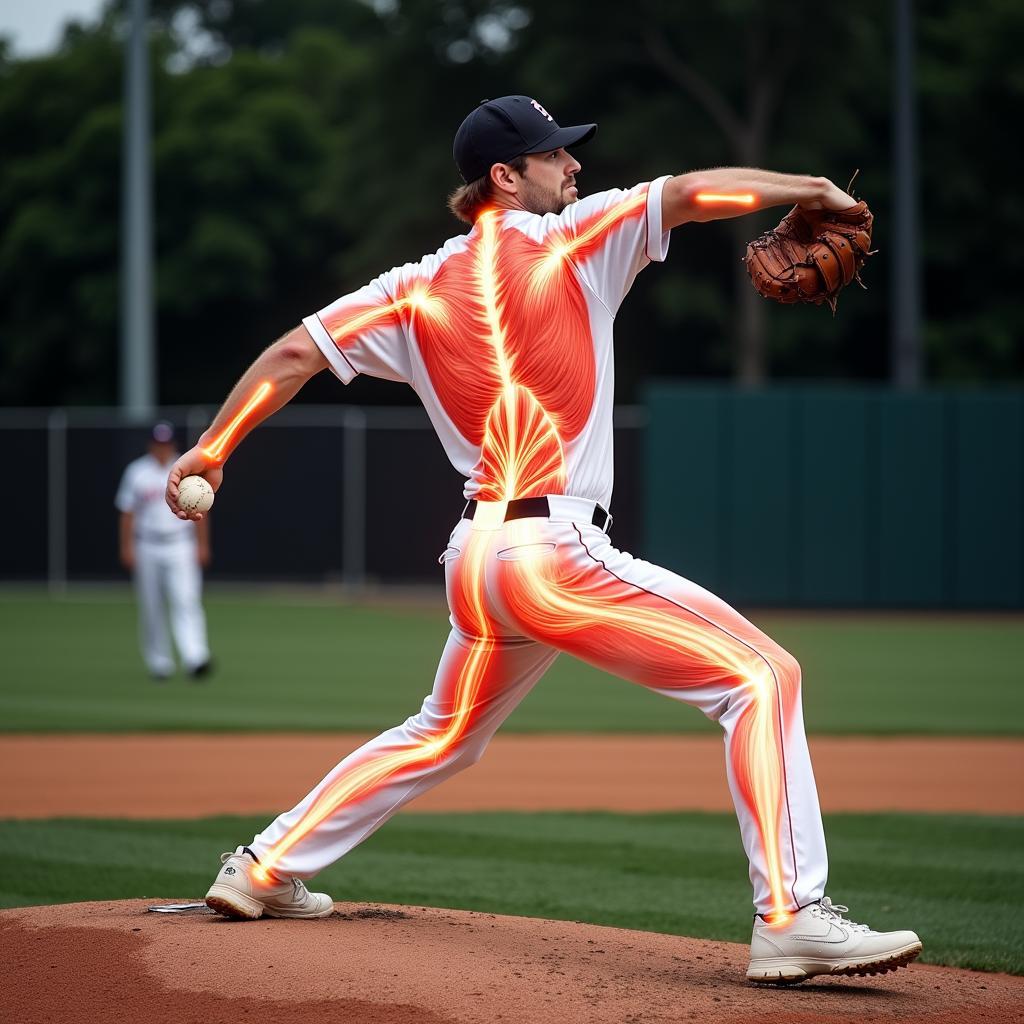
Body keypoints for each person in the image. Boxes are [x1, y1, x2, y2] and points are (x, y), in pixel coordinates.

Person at [166, 96, 920, 984]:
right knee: (762, 678)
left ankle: (263, 868)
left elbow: (294, 352)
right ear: (505, 176)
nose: (574, 168)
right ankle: (792, 916)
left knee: (443, 732)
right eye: (557, 156)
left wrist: (212, 452)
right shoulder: (576, 238)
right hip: (551, 553)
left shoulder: (409, 288)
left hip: (477, 561)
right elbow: (690, 193)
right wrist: (810, 186)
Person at [117, 421, 213, 681]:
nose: (162, 448)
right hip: (147, 543)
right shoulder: (137, 472)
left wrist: (202, 545)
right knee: (151, 605)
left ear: (173, 445)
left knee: (186, 599)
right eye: (158, 444)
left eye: (166, 444)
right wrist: (126, 546)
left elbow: (202, 510)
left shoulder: (185, 470)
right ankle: (160, 664)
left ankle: (196, 657)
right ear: (151, 445)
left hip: (181, 542)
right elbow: (127, 513)